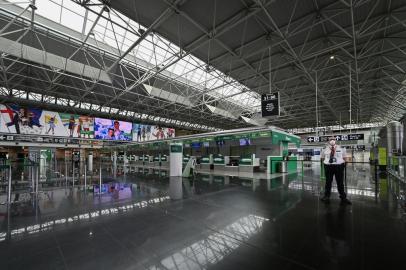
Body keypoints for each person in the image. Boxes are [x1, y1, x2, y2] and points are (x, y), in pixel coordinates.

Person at [320, 136, 352, 205]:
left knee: (340, 182)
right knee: (328, 182)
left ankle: (343, 197)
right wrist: (325, 164)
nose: (332, 140)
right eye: (330, 139)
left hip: (339, 167)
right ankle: (326, 196)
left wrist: (344, 165)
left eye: (333, 139)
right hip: (328, 166)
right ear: (328, 141)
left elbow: (345, 157)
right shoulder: (324, 149)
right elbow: (322, 158)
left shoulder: (341, 148)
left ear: (335, 140)